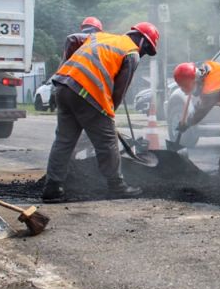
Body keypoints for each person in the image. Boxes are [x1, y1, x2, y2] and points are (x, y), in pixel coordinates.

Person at [42, 22, 160, 203]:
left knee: (64, 140)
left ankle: (52, 187)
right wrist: (109, 115)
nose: (144, 54)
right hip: (85, 91)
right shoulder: (131, 53)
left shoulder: (101, 36)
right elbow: (120, 90)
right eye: (147, 50)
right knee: (107, 142)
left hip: (63, 86)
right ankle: (117, 186)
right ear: (143, 42)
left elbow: (72, 39)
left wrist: (61, 72)